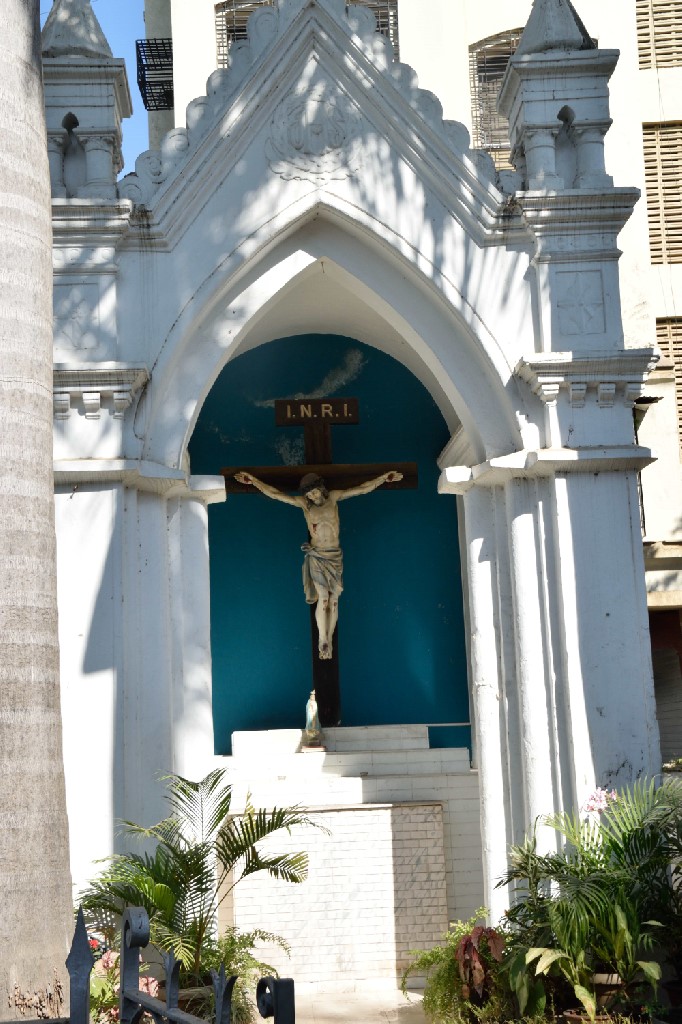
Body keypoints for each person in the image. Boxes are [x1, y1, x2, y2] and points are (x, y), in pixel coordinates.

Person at [234, 468, 403, 659]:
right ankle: (323, 639)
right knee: (323, 598)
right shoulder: (304, 504)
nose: (312, 497)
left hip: (334, 556)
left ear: (321, 489)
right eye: (309, 494)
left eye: (314, 492)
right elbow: (276, 494)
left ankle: (329, 639)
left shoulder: (334, 498)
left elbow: (362, 489)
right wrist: (254, 481)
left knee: (334, 600)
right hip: (317, 555)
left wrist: (384, 478)